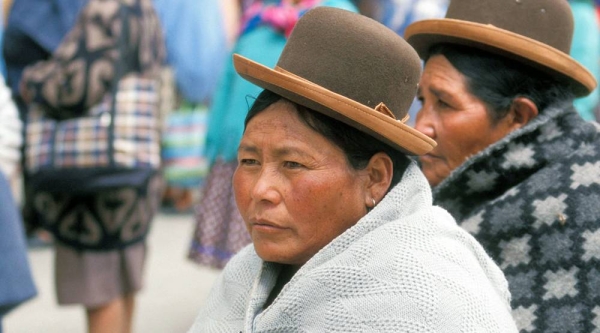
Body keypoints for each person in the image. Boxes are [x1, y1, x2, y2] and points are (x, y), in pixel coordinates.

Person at [188, 7, 518, 332]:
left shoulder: (428, 301)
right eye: (249, 161)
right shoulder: (245, 274)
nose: (260, 190)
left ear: (375, 179)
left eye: (292, 164)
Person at [404, 0, 600, 331]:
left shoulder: (584, 204)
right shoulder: (415, 194)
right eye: (422, 101)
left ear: (518, 117)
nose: (420, 127)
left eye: (446, 104)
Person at [18, 0, 165, 332]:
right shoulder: (145, 9)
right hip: (134, 164)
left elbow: (75, 88)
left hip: (95, 181)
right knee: (121, 282)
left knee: (100, 289)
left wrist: (33, 80)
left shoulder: (104, 9)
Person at [188, 0, 358, 269]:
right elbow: (225, 85)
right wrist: (214, 140)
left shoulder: (338, 17)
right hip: (239, 148)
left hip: (302, 155)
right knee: (244, 242)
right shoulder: (258, 19)